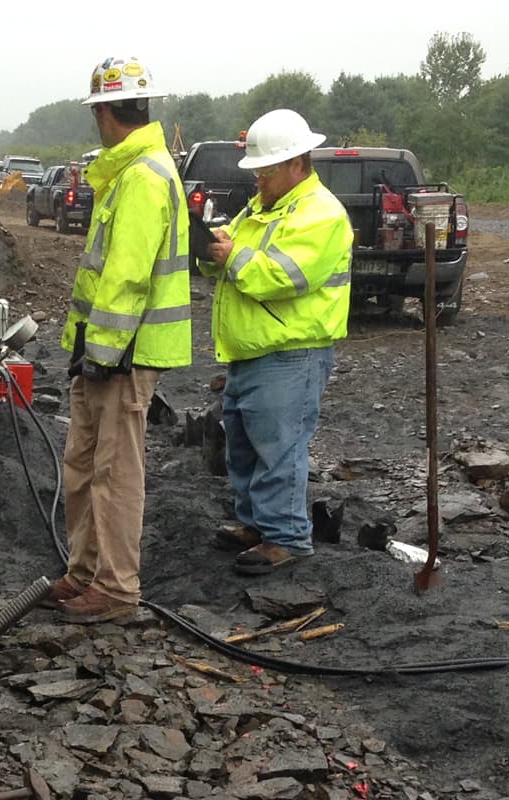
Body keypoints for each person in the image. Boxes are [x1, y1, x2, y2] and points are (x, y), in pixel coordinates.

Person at [50, 56, 191, 623]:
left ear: (105, 112)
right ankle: (84, 572)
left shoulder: (143, 178)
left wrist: (102, 355)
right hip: (102, 352)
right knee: (82, 467)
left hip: (123, 356)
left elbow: (128, 277)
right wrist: (86, 352)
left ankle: (116, 588)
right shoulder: (128, 172)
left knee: (113, 473)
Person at [200, 109, 354, 575]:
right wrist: (212, 253)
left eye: (266, 171)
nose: (259, 180)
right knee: (244, 447)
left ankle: (285, 536)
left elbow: (284, 276)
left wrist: (234, 255)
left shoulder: (320, 213)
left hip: (291, 352)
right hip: (253, 351)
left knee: (279, 448)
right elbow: (238, 269)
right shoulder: (264, 207)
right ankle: (257, 525)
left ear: (297, 164)